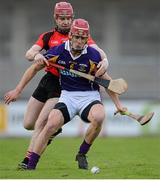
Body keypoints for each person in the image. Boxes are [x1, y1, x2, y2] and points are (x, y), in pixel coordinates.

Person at [4, 1, 109, 169]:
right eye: (62, 18)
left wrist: (105, 61)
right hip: (47, 80)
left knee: (42, 124)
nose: (66, 21)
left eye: (68, 18)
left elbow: (100, 53)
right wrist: (36, 55)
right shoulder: (48, 37)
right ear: (56, 18)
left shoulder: (79, 34)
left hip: (63, 83)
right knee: (28, 124)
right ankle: (54, 131)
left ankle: (28, 161)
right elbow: (29, 54)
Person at [25, 18, 127, 170]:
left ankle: (82, 153)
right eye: (77, 37)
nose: (79, 41)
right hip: (67, 97)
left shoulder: (94, 56)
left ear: (87, 39)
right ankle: (31, 165)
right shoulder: (58, 51)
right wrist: (37, 57)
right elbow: (34, 67)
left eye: (83, 38)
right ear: (71, 36)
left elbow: (107, 83)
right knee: (50, 124)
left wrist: (118, 105)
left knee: (99, 117)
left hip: (89, 97)